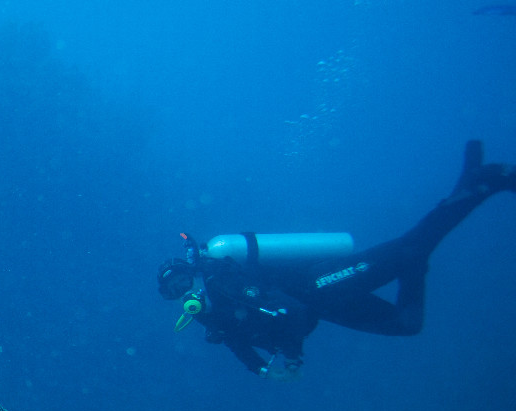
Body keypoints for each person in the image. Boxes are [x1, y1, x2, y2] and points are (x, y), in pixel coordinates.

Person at [157, 141, 515, 379]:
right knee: (406, 323)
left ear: (194, 273)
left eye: (182, 280)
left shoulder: (223, 280)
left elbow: (289, 311)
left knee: (409, 249)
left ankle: (482, 185)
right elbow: (240, 345)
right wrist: (268, 370)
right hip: (326, 307)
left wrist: (292, 351)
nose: (183, 291)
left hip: (319, 283)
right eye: (174, 291)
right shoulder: (211, 316)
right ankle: (467, 191)